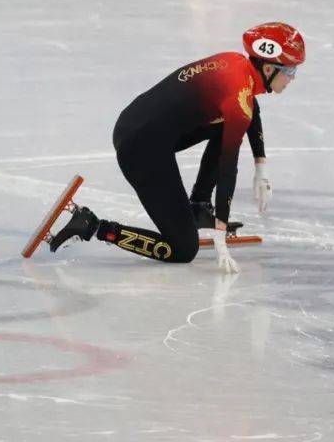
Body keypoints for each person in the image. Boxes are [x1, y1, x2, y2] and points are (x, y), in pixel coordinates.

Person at [48, 22, 305, 272]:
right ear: (270, 68)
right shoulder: (238, 100)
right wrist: (220, 234)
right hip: (140, 148)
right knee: (183, 249)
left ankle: (199, 207)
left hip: (137, 122)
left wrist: (262, 166)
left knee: (235, 118)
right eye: (291, 72)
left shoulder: (236, 64)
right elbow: (228, 169)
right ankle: (92, 226)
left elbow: (250, 109)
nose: (292, 79)